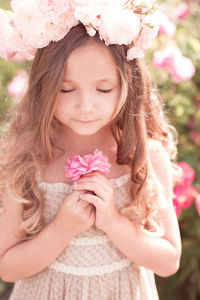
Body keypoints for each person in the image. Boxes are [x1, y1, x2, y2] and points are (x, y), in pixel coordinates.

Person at [0, 1, 182, 299]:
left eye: (104, 89)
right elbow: (7, 267)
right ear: (44, 87)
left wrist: (112, 221)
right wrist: (62, 229)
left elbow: (168, 260)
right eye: (66, 89)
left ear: (129, 84)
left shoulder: (144, 155)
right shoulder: (30, 158)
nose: (85, 106)